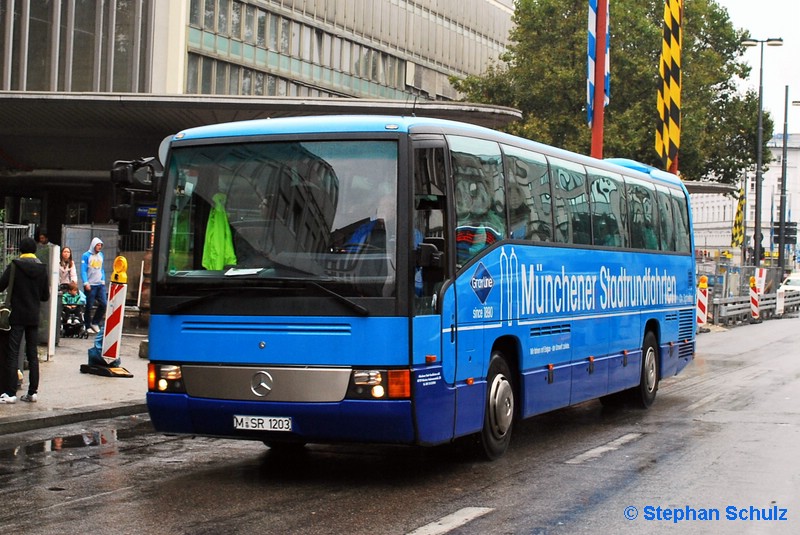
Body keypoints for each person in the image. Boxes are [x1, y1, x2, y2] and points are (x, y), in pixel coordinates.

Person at [0, 237, 50, 404]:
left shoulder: (15, 266)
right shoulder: (42, 269)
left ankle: (10, 393)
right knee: (32, 354)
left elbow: (1, 285)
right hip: (33, 317)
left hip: (17, 316)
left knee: (13, 353)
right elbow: (45, 296)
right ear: (34, 250)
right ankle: (32, 392)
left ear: (20, 250)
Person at [81, 237, 106, 333]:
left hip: (100, 284)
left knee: (104, 304)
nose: (99, 247)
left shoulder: (101, 255)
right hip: (90, 284)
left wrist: (103, 279)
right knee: (88, 306)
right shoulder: (86, 255)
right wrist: (85, 282)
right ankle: (87, 325)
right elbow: (83, 270)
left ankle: (95, 322)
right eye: (98, 245)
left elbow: (101, 269)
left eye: (100, 245)